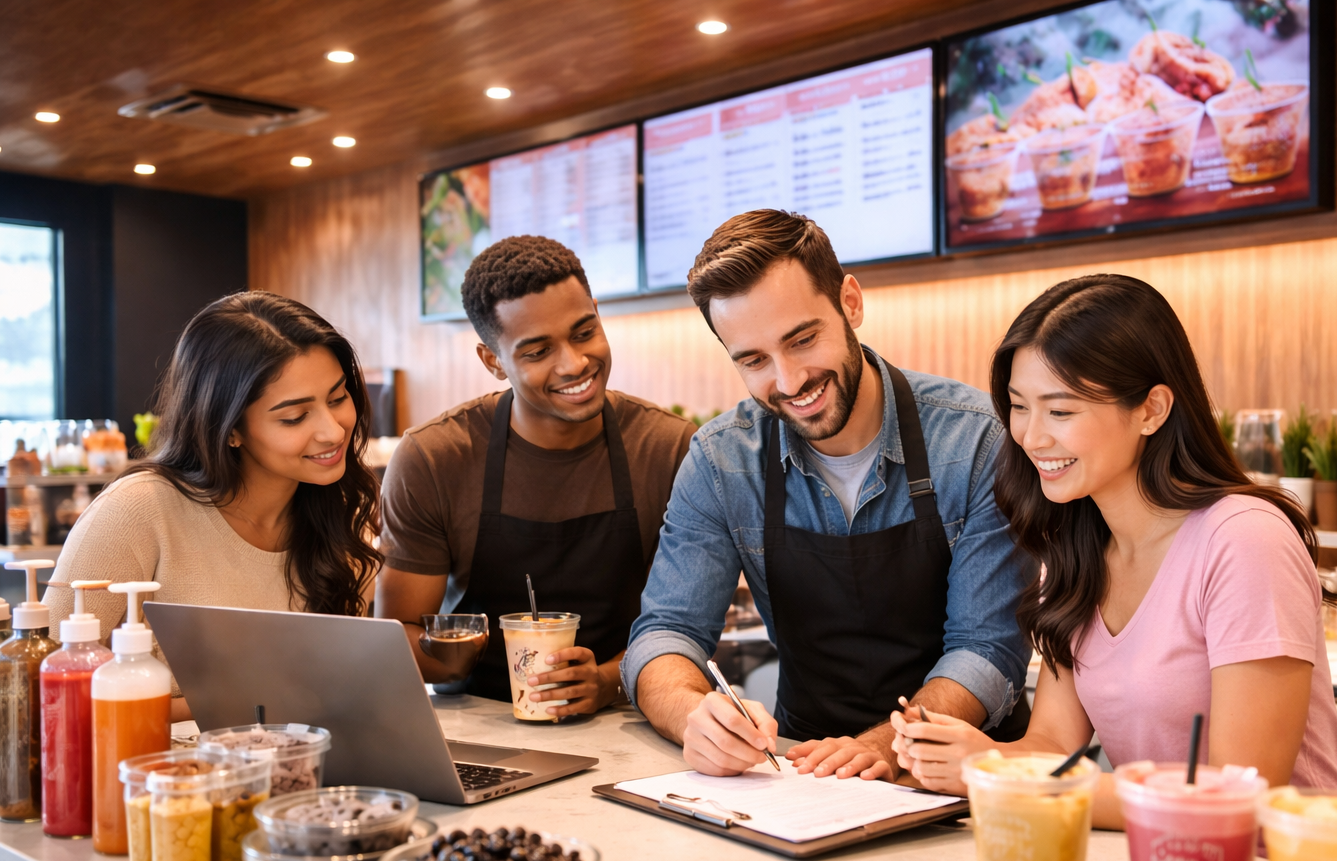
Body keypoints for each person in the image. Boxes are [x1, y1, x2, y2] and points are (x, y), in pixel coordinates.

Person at [890, 274, 1337, 825]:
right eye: (1018, 407)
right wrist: (956, 752)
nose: (1031, 437)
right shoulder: (1076, 549)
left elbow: (1240, 795)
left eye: (1060, 412)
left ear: (1152, 409)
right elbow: (1053, 747)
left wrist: (994, 779)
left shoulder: (1245, 539)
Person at [624, 210, 1031, 781]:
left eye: (803, 339)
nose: (789, 381)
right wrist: (693, 713)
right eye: (754, 360)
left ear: (851, 303)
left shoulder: (977, 439)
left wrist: (889, 743)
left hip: (961, 778)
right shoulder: (721, 459)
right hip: (804, 772)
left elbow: (986, 647)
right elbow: (666, 632)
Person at [374, 235, 695, 715]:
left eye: (584, 332)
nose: (574, 363)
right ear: (493, 362)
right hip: (478, 722)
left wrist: (606, 681)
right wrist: (467, 655)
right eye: (538, 351)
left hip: (629, 714)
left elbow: (687, 624)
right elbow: (399, 632)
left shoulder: (668, 448)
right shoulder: (435, 457)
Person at [45, 291, 382, 722]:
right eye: (294, 417)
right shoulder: (139, 510)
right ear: (230, 428)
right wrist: (253, 703)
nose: (333, 431)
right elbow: (46, 683)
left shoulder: (342, 516)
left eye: (337, 399)